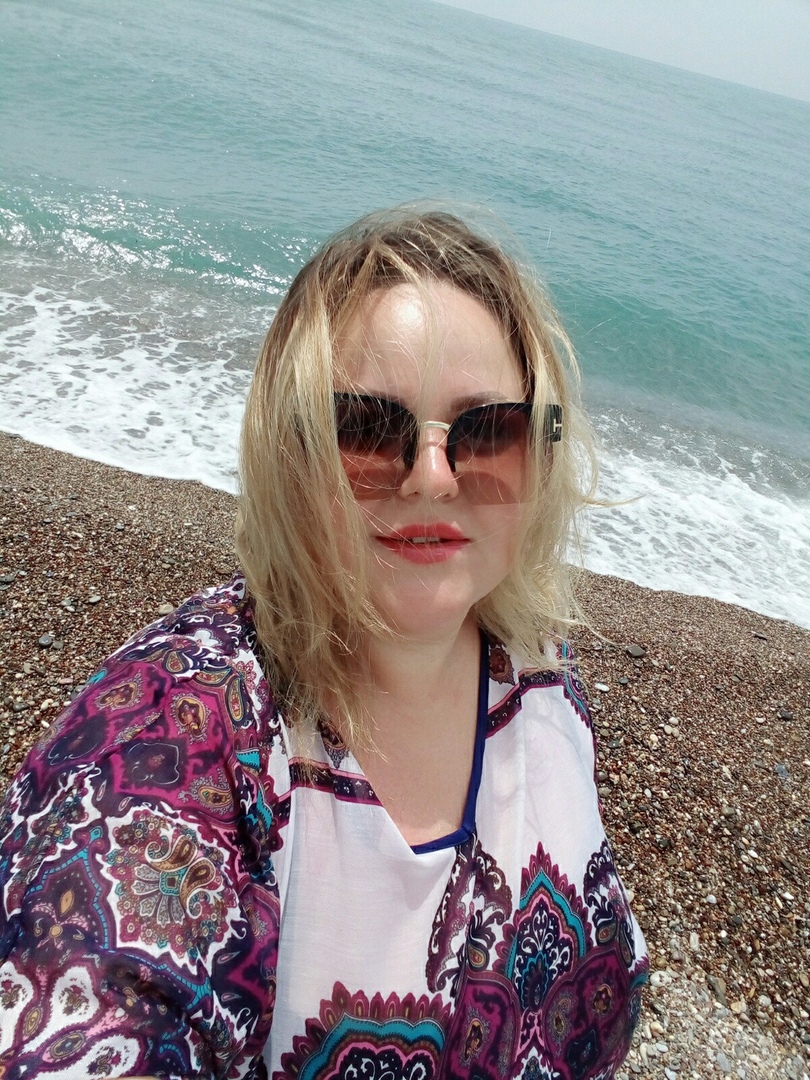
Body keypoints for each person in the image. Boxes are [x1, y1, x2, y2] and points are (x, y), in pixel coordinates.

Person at [0, 209, 648, 1079]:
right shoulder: (167, 745)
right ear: (292, 449)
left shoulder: (543, 684)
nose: (432, 477)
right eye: (368, 430)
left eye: (488, 430)